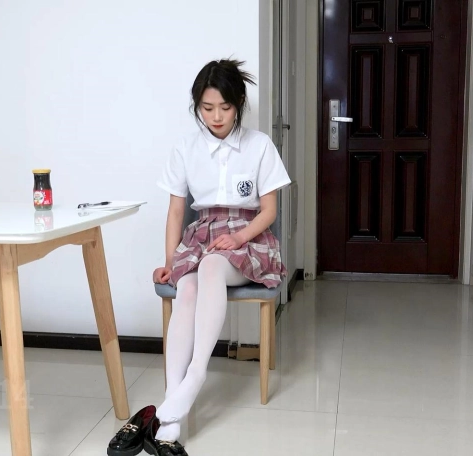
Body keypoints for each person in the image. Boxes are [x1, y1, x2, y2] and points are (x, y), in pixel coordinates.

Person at [148, 58, 289, 456]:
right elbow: (177, 211)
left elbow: (269, 211)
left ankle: (196, 373)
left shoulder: (259, 145)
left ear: (238, 104)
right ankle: (172, 409)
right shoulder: (186, 147)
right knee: (187, 288)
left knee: (211, 265)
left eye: (225, 108)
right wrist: (172, 262)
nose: (216, 116)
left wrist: (238, 237)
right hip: (202, 233)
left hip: (250, 236)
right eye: (207, 108)